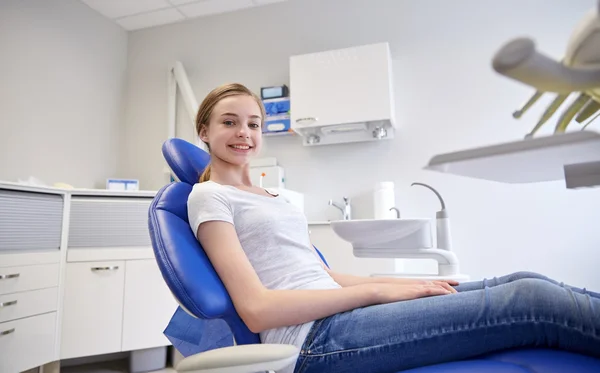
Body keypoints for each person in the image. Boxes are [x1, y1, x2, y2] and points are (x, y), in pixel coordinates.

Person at [186, 83, 600, 373]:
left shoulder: (274, 198)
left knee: (521, 279)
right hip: (315, 342)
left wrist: (402, 285)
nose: (244, 132)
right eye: (229, 122)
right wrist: (377, 292)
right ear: (204, 131)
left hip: (342, 314)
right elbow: (256, 311)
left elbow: (323, 276)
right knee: (529, 299)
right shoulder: (210, 197)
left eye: (254, 124)